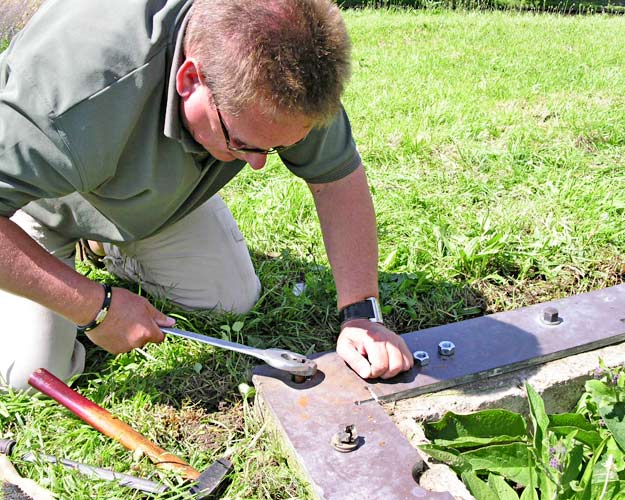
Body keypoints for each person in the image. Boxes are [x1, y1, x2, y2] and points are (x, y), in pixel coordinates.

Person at [0, 0, 413, 391]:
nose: (257, 165)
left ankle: (107, 242)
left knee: (228, 300)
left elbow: (335, 180)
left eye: (276, 148)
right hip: (34, 204)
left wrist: (362, 315)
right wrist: (95, 306)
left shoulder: (288, 69)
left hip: (138, 190)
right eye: (243, 143)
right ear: (189, 80)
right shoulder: (74, 96)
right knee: (33, 372)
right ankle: (66, 244)